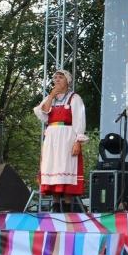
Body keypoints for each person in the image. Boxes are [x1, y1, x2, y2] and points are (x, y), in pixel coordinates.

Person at [34, 70, 88, 212]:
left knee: (66, 167)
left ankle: (68, 205)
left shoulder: (74, 98)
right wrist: (51, 95)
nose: (57, 80)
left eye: (60, 77)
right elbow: (43, 113)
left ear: (67, 81)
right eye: (55, 78)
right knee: (52, 166)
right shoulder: (50, 98)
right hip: (52, 136)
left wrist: (78, 141)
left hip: (67, 136)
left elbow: (80, 120)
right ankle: (56, 205)